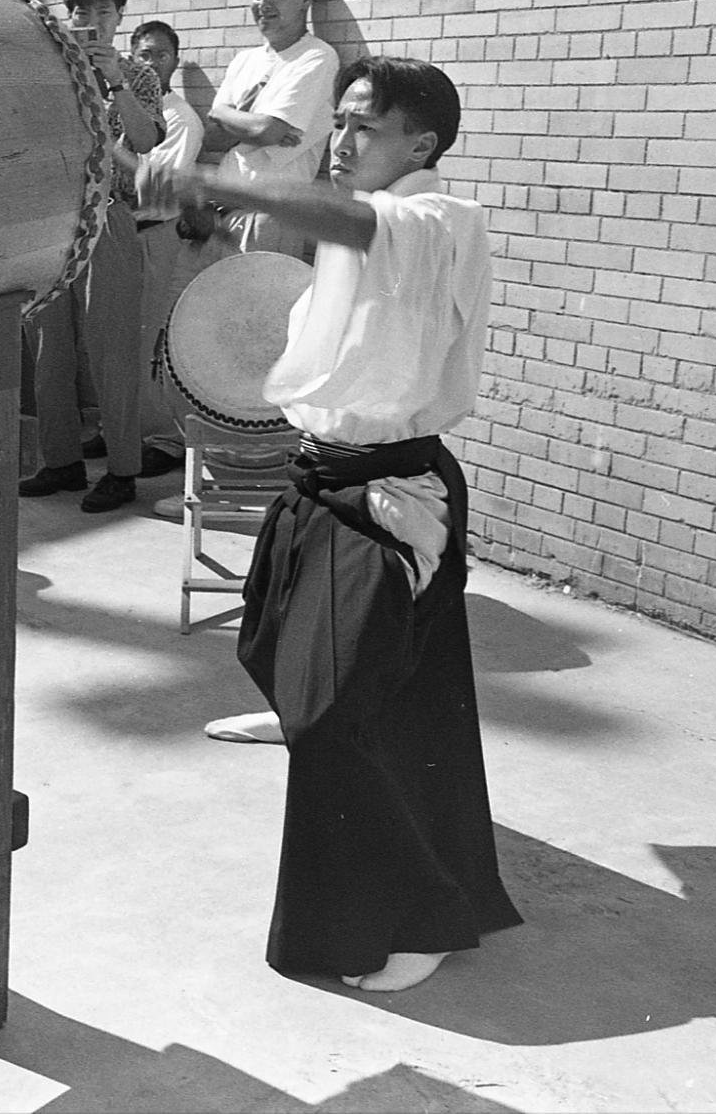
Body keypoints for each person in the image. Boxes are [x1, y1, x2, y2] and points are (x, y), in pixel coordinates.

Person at [140, 56, 523, 993]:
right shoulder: (370, 224)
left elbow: (355, 218)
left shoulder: (438, 220)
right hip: (318, 482)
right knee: (280, 648)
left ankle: (422, 916)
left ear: (421, 145)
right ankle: (311, 717)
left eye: (364, 126)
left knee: (338, 710)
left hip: (393, 497)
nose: (341, 141)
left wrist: (207, 176)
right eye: (340, 123)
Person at [19, 0, 170, 513]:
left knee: (111, 348)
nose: (92, 20)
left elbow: (147, 137)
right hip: (53, 222)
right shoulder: (49, 68)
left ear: (120, 16)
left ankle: (123, 470)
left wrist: (116, 81)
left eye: (104, 10)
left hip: (111, 217)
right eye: (82, 10)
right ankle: (59, 462)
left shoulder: (139, 75)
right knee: (47, 347)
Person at [202, 0, 340, 260]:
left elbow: (267, 131)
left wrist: (230, 116)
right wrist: (239, 121)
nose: (263, 5)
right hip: (221, 213)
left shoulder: (316, 58)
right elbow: (211, 138)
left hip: (267, 218)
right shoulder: (244, 61)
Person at [128, 19, 209, 490]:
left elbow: (154, 179)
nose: (150, 62)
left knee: (148, 342)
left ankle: (163, 439)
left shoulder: (180, 119)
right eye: (142, 54)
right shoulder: (122, 107)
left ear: (174, 61)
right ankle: (120, 429)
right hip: (119, 233)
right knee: (120, 343)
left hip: (154, 231)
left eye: (159, 54)